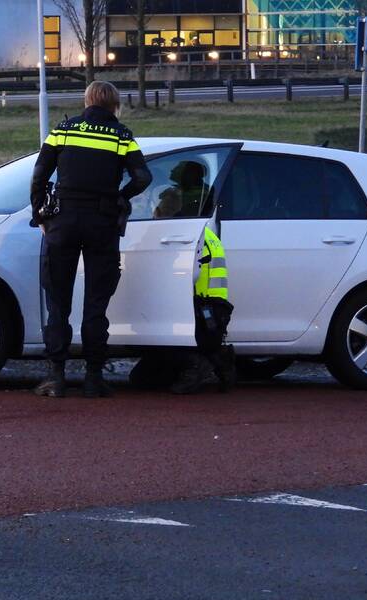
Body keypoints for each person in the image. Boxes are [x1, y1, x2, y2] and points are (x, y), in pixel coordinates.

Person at [29, 81, 152, 398]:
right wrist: (120, 197)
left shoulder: (64, 130)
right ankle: (94, 378)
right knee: (96, 304)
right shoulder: (121, 135)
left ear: (87, 101)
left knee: (58, 302)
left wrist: (40, 215)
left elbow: (40, 174)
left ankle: (56, 378)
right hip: (102, 223)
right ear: (115, 104)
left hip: (64, 222)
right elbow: (143, 177)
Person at [129, 225, 235, 394]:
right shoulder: (206, 234)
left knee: (147, 367)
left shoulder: (183, 235)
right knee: (140, 379)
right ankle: (217, 358)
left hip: (199, 309)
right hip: (211, 311)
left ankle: (196, 364)